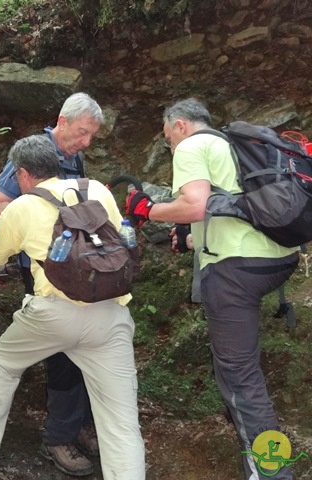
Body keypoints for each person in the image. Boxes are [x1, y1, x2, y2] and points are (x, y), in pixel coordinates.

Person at [125, 98, 299, 480]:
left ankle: (273, 473)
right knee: (239, 372)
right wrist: (190, 239)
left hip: (236, 271)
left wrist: (146, 208)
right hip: (276, 259)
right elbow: (233, 209)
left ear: (181, 125)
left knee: (240, 376)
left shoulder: (191, 146)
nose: (169, 143)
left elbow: (195, 204)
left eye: (168, 135)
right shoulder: (230, 146)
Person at [0, 134, 145, 480]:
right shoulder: (99, 191)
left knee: (2, 365)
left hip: (52, 315)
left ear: (23, 174)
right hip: (110, 313)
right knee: (120, 421)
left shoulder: (21, 207)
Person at [0, 92, 103, 476]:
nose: (86, 142)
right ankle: (59, 437)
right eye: (82, 133)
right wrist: (46, 221)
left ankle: (80, 425)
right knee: (63, 353)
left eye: (91, 136)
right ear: (63, 121)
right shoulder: (32, 153)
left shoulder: (74, 156)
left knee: (84, 346)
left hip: (78, 268)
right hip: (42, 270)